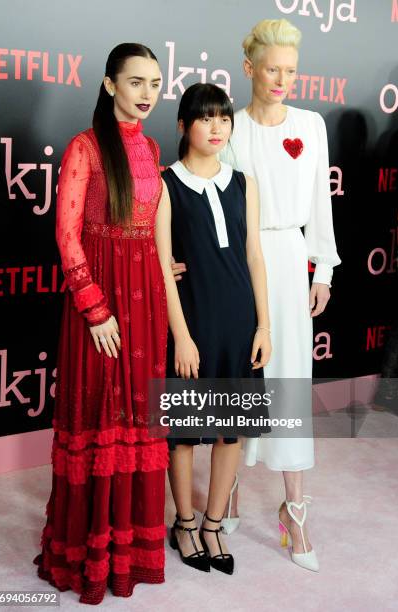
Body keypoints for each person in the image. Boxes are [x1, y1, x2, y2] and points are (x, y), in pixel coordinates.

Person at [33, 43, 168, 604]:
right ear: (110, 84)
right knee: (98, 421)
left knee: (138, 422)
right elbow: (67, 236)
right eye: (135, 83)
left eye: (155, 84)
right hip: (102, 308)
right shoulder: (84, 148)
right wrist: (95, 308)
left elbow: (151, 232)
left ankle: (129, 555)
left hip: (147, 305)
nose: (146, 95)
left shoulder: (155, 146)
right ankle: (84, 554)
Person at [218, 18, 341, 572]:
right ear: (249, 68)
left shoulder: (311, 124)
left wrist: (324, 270)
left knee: (289, 380)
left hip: (291, 262)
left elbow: (321, 200)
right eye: (273, 69)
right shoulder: (231, 128)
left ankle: (294, 513)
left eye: (291, 70)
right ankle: (231, 489)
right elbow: (214, 203)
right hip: (238, 264)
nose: (282, 79)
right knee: (242, 374)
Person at [155, 83, 271, 575]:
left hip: (239, 322)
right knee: (182, 434)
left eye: (224, 118)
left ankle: (213, 523)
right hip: (192, 322)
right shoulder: (166, 182)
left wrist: (264, 325)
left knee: (231, 433)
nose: (217, 127)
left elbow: (254, 257)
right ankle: (183, 523)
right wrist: (181, 335)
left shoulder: (245, 183)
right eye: (206, 118)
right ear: (184, 126)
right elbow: (162, 265)